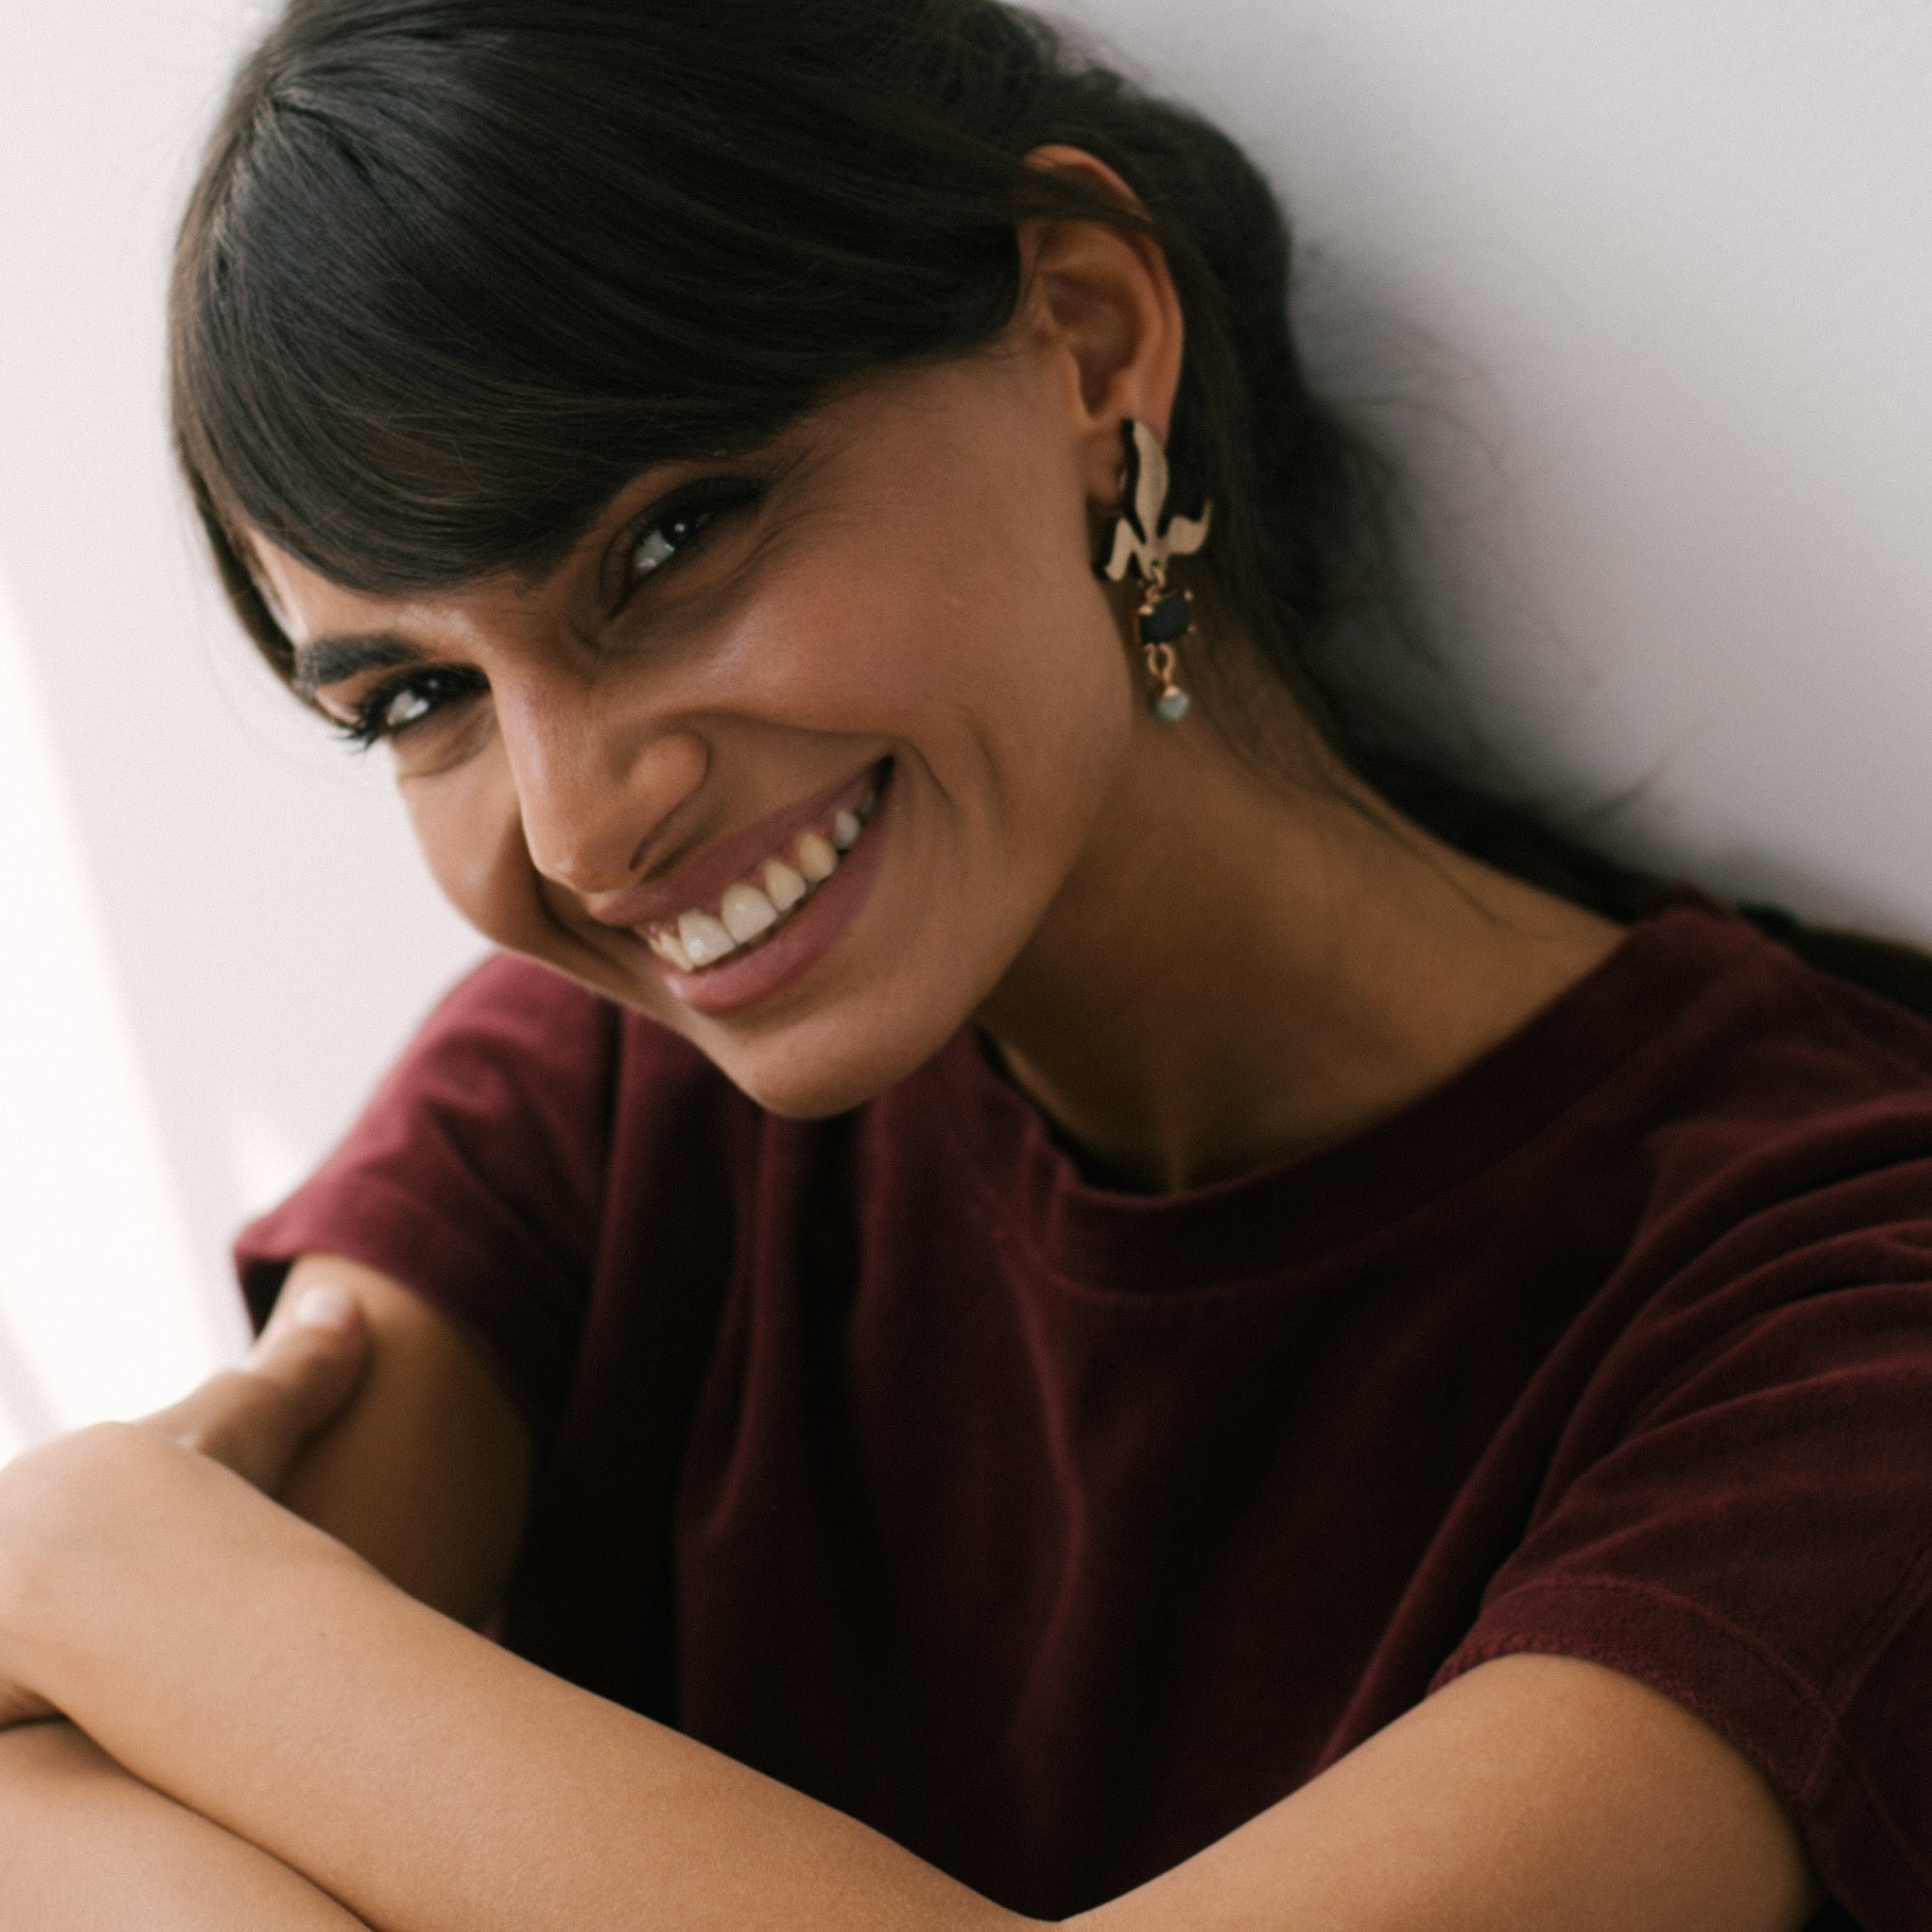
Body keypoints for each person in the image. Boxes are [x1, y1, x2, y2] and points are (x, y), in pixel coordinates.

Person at [0, 1, 1926, 1925]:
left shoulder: (1848, 1298)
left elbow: (117, 1685)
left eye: (666, 539)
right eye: (421, 694)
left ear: (1086, 340)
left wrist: (115, 1569)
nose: (581, 832)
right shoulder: (599, 1101)